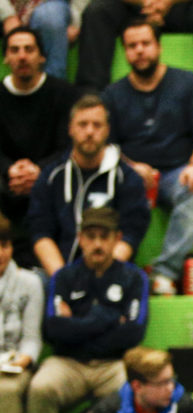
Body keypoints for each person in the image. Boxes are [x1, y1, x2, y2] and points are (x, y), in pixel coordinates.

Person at [26, 207, 148, 413]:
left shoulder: (134, 278)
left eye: (104, 237)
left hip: (112, 364)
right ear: (80, 239)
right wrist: (107, 319)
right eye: (91, 237)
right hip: (68, 363)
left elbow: (133, 333)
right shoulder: (64, 277)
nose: (98, 244)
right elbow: (53, 330)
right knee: (40, 388)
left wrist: (78, 326)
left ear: (117, 239)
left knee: (131, 391)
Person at [101, 19, 193, 296]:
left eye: (146, 43)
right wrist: (130, 167)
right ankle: (109, 275)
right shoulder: (112, 95)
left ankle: (164, 273)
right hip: (129, 176)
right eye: (132, 46)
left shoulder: (189, 84)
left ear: (159, 46)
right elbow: (106, 145)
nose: (140, 50)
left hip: (178, 172)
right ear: (125, 51)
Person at [27, 93, 150, 279]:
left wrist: (97, 280)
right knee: (31, 282)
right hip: (59, 273)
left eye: (97, 125)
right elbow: (40, 233)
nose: (90, 131)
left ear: (107, 130)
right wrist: (63, 280)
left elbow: (131, 234)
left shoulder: (127, 178)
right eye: (83, 124)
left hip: (111, 274)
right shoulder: (51, 177)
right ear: (70, 129)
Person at [0, 25, 80, 268]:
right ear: (6, 58)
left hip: (50, 177)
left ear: (42, 56)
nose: (22, 56)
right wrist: (10, 170)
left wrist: (39, 170)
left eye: (29, 49)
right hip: (6, 179)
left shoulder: (63, 93)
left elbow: (69, 145)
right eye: (15, 50)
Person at [75, 0, 193, 94]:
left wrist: (166, 2)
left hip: (179, 5)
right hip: (135, 5)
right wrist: (146, 2)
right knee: (97, 11)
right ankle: (91, 95)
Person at [0, 212, 44, 413]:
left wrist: (23, 360)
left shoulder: (30, 282)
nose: (1, 253)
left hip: (14, 364)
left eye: (5, 245)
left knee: (5, 389)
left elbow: (31, 338)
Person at [0, 1, 87, 80]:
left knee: (51, 17)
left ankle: (53, 86)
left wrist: (76, 21)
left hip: (50, 6)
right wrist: (7, 16)